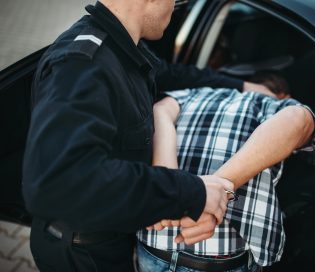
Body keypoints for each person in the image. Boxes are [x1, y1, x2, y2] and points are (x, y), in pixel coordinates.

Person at [22, 0, 274, 271]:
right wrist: (189, 192)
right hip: (83, 253)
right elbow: (58, 181)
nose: (176, 7)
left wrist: (244, 86)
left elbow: (171, 75)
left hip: (111, 237)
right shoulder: (82, 65)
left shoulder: (122, 45)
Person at [136, 80, 315, 271]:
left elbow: (159, 111)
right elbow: (298, 119)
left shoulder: (193, 93)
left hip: (155, 241)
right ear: (284, 95)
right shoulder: (273, 104)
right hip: (218, 254)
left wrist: (174, 189)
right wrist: (200, 195)